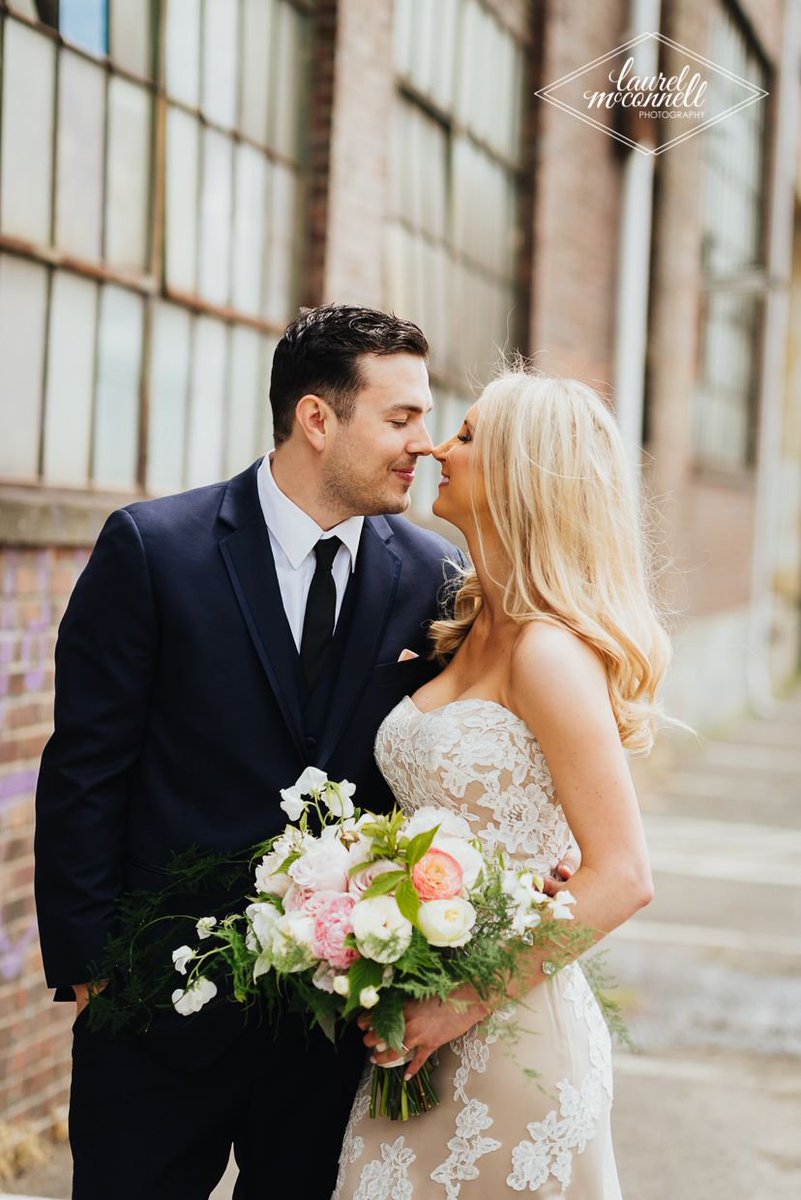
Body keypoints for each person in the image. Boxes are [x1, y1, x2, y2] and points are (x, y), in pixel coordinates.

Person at [34, 306, 575, 1200]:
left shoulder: (433, 577)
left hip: (338, 1032)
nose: (424, 444)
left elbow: (460, 761)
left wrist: (528, 871)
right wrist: (94, 974)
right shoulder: (153, 549)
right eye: (400, 418)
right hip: (162, 1012)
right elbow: (86, 770)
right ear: (316, 420)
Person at [334, 369, 668, 1198]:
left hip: (508, 1039)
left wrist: (460, 1003)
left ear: (526, 472)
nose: (438, 447)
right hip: (420, 1022)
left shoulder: (548, 652)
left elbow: (622, 875)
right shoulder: (467, 624)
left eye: (470, 436)